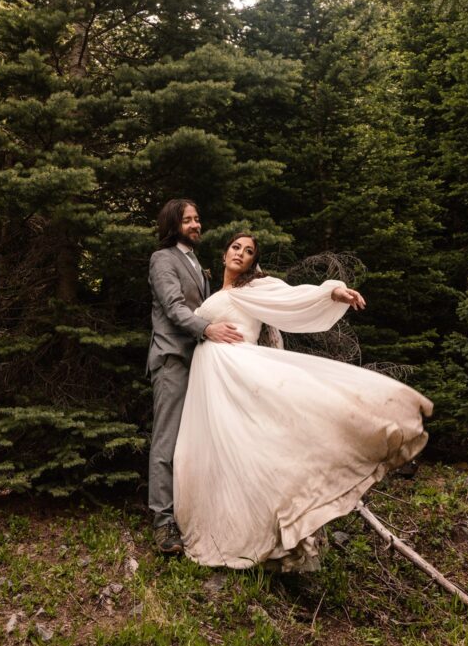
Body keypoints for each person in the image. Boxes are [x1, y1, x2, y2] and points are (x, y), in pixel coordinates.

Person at [173, 233, 433, 570]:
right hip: (211, 381)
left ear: (253, 262)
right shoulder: (216, 294)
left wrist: (333, 292)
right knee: (220, 453)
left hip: (238, 370)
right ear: (224, 255)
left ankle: (275, 535)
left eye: (248, 251)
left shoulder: (256, 288)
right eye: (236, 247)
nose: (240, 253)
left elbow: (293, 296)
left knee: (257, 447)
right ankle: (226, 529)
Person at [147, 199, 244, 555]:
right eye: (187, 220)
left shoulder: (196, 262)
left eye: (197, 218)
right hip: (172, 359)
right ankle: (162, 523)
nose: (195, 225)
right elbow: (173, 308)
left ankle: (192, 515)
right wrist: (208, 329)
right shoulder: (163, 259)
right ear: (173, 225)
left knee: (194, 443)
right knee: (167, 442)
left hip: (201, 364)